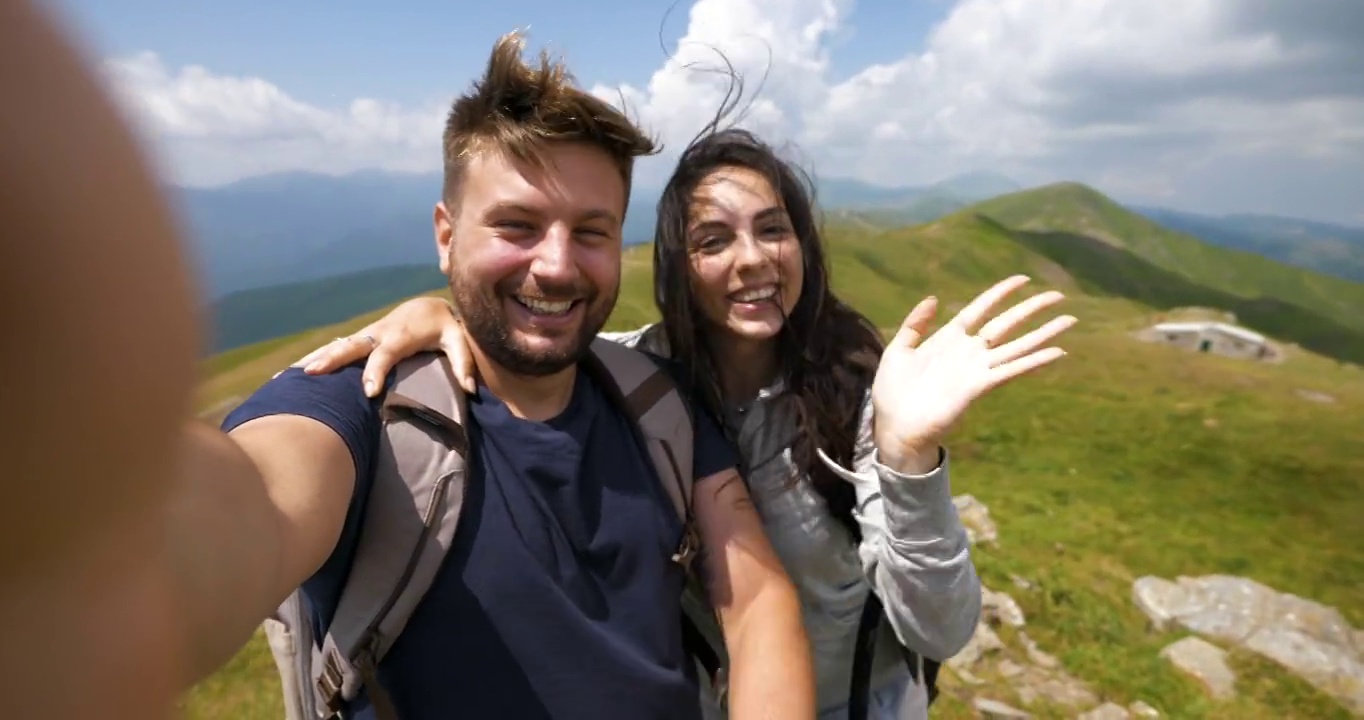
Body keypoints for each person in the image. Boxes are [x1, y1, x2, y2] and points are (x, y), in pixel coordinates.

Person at [297, 128, 1078, 718]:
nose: (753, 259)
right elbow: (533, 337)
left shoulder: (861, 398)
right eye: (714, 239)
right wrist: (440, 313)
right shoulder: (635, 379)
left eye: (774, 229)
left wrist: (908, 457)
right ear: (676, 263)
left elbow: (941, 632)